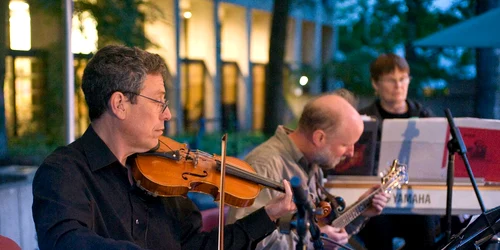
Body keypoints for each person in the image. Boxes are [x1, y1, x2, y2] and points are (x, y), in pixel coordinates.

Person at [31, 44, 296, 250]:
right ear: (120, 104)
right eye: (159, 102)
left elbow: (197, 246)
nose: (167, 115)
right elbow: (66, 242)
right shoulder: (63, 172)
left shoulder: (165, 172)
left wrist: (267, 216)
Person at [226, 90, 390, 249]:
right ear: (319, 138)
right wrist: (313, 241)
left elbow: (323, 229)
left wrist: (361, 212)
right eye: (345, 144)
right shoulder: (264, 165)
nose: (351, 152)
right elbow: (246, 241)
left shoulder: (313, 162)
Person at [356, 53, 441, 250]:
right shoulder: (361, 120)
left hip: (418, 198)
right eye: (391, 80)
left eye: (403, 79)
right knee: (377, 228)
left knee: (427, 226)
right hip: (377, 198)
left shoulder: (425, 117)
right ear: (376, 84)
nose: (398, 85)